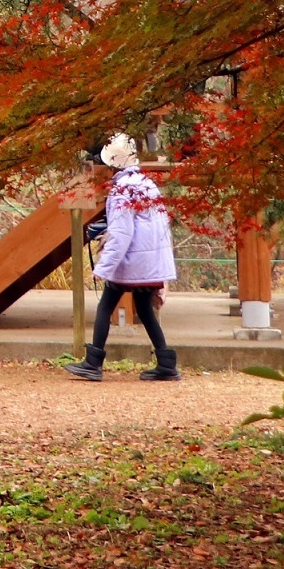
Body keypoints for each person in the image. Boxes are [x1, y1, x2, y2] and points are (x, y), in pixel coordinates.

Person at [67, 132, 180, 382]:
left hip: (132, 262)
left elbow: (121, 233)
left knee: (105, 304)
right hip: (149, 262)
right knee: (144, 307)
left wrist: (104, 267)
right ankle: (166, 362)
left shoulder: (121, 190)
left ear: (113, 163)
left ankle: (93, 362)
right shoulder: (148, 184)